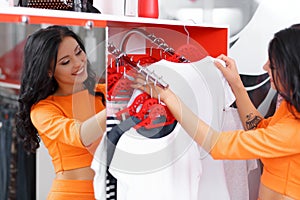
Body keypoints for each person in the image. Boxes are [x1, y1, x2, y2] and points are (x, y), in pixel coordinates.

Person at [133, 24, 300, 199]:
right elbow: (259, 130)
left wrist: (169, 97)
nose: (265, 67)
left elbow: (217, 144)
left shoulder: (294, 131)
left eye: (273, 65)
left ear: (293, 71)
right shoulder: (291, 110)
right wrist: (236, 85)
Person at [16, 25, 106, 199]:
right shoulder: (43, 111)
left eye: (79, 52)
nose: (79, 63)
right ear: (49, 71)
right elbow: (82, 135)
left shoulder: (102, 93)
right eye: (65, 62)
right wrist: (115, 109)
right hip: (71, 194)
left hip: (107, 191)